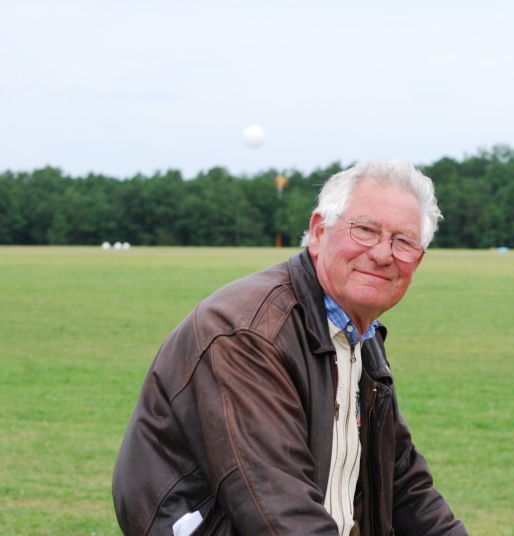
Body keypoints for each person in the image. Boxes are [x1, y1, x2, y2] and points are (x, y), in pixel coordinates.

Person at [112, 158, 468, 536]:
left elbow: (405, 487)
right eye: (365, 230)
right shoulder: (248, 334)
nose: (383, 254)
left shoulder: (359, 337)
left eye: (404, 241)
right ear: (318, 232)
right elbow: (277, 511)